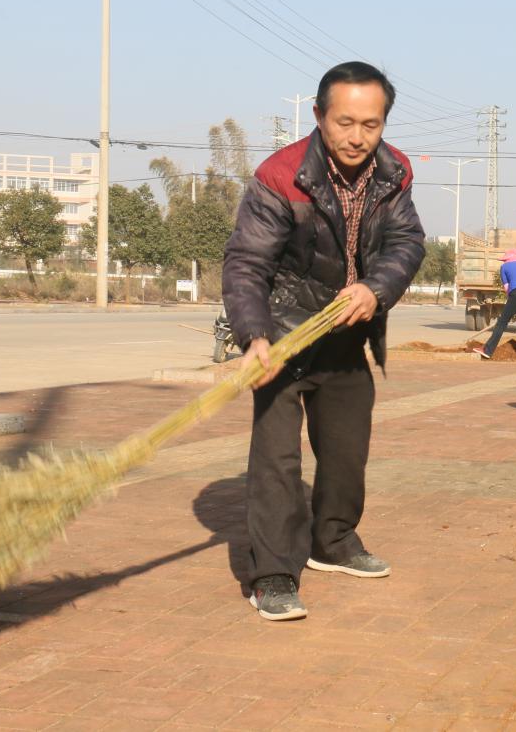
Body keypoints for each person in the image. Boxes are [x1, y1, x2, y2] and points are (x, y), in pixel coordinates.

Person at [222, 61, 425, 622]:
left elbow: (407, 242)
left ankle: (332, 540)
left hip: (347, 329)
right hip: (285, 332)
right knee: (276, 458)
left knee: (345, 447)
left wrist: (376, 289)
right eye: (344, 122)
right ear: (318, 116)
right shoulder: (281, 175)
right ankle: (272, 572)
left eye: (371, 123)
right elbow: (246, 263)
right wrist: (253, 336)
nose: (357, 137)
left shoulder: (394, 172)